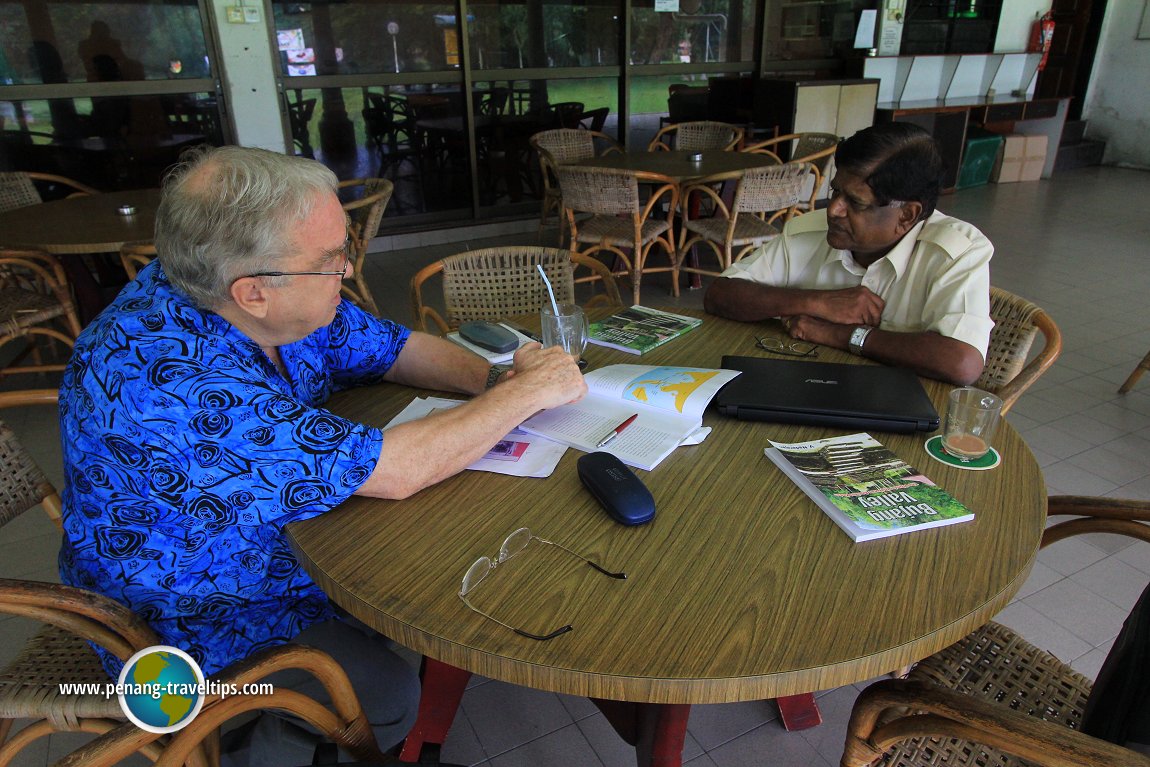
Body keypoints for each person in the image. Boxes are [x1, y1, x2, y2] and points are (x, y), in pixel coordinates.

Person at [57, 145, 586, 761]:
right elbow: (396, 470)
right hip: (189, 622)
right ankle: (256, 747)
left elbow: (396, 346)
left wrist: (493, 386)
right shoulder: (169, 384)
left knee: (423, 577)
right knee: (385, 697)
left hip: (280, 545)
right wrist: (524, 394)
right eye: (333, 259)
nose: (349, 268)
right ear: (253, 291)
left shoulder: (249, 291)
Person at [704, 122, 993, 385]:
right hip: (807, 386)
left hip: (899, 404)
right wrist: (817, 303)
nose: (833, 210)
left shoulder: (957, 252)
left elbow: (961, 362)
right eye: (835, 191)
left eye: (855, 202)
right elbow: (719, 295)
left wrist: (838, 334)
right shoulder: (809, 232)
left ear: (907, 215)